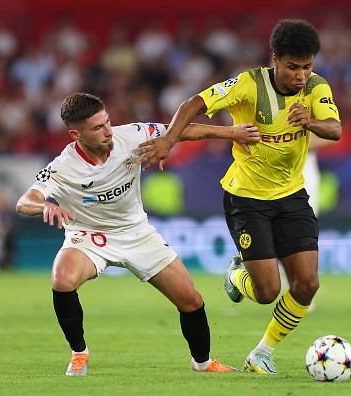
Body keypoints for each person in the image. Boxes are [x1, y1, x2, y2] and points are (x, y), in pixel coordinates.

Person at [139, 19, 341, 374]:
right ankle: (236, 276)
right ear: (274, 58)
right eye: (293, 66)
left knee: (307, 284)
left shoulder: (316, 88)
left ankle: (262, 352)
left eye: (307, 66)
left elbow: (336, 129)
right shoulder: (249, 84)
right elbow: (193, 104)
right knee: (266, 292)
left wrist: (309, 121)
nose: (300, 75)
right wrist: (169, 140)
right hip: (246, 199)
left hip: (292, 196)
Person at [15, 92, 260, 376]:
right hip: (89, 236)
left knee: (190, 299)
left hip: (137, 233)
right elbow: (24, 201)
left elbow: (180, 131)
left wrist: (231, 132)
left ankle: (202, 363)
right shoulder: (63, 166)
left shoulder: (131, 136)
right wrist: (44, 205)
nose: (108, 132)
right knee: (62, 279)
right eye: (97, 128)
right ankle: (79, 353)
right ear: (75, 134)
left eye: (107, 122)